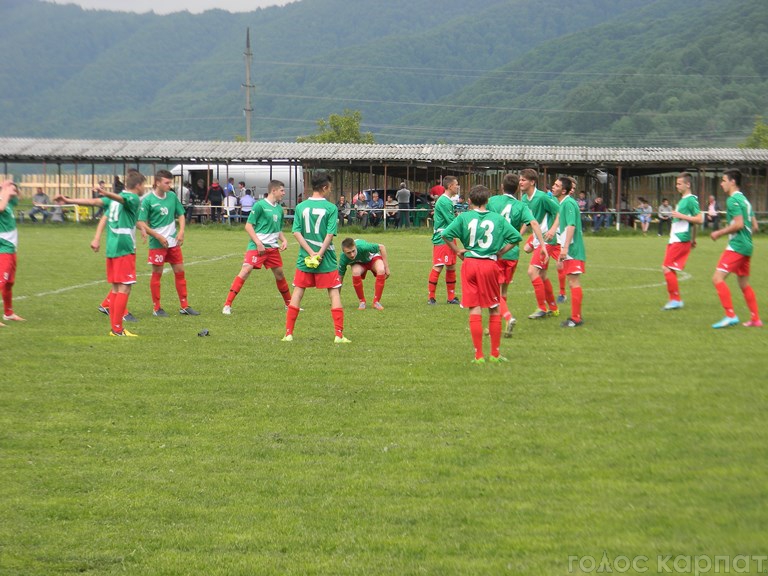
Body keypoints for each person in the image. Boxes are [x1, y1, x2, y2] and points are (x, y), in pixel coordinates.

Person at [55, 169, 144, 336]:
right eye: (143, 185)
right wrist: (107, 193)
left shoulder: (114, 202)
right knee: (125, 288)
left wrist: (68, 200)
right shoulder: (132, 198)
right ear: (138, 185)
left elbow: (93, 201)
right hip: (124, 248)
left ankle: (116, 329)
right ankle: (118, 329)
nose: (144, 188)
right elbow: (120, 198)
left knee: (117, 288)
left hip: (112, 247)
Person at [441, 184, 521, 363]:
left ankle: (478, 356)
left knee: (474, 308)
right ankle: (494, 354)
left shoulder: (464, 217)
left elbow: (445, 234)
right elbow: (516, 237)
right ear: (487, 201)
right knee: (494, 308)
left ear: (469, 201)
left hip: (469, 263)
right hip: (489, 264)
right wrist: (501, 252)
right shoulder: (497, 219)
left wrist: (457, 250)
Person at [283, 171, 349, 343]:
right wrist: (319, 253)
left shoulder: (300, 207)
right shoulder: (331, 208)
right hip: (326, 258)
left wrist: (310, 252)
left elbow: (296, 232)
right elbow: (329, 234)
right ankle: (338, 335)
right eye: (330, 188)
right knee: (334, 293)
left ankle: (288, 333)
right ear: (325, 187)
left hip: (305, 257)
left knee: (298, 292)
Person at [487, 172, 547, 337]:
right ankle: (495, 325)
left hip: (497, 252)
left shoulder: (493, 201)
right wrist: (542, 245)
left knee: (493, 293)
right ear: (517, 190)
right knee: (503, 291)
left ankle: (507, 317)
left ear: (501, 187)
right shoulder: (521, 206)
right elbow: (534, 223)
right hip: (512, 253)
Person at [137, 169, 199, 318]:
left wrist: (182, 231)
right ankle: (157, 308)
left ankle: (184, 305)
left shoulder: (171, 196)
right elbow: (140, 222)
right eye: (167, 182)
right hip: (157, 244)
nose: (169, 186)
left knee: (180, 272)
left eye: (170, 182)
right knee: (157, 275)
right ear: (157, 182)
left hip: (173, 243)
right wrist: (157, 236)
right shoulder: (148, 200)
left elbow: (181, 214)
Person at [223, 180, 291, 315]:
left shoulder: (279, 208)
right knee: (246, 270)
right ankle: (227, 305)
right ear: (274, 190)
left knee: (279, 274)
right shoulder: (259, 206)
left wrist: (283, 240)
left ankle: (289, 304)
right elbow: (248, 226)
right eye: (282, 190)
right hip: (257, 246)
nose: (284, 193)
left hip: (272, 248)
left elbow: (277, 229)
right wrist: (258, 243)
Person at [710, 169, 761, 328]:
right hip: (747, 246)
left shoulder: (733, 200)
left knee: (717, 278)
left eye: (724, 180)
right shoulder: (745, 201)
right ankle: (755, 319)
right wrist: (745, 237)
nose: (721, 183)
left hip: (737, 246)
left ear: (732, 182)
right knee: (743, 284)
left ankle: (730, 315)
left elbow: (738, 224)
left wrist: (720, 232)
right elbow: (755, 226)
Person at [520, 168, 561, 319]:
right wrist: (518, 236)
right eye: (520, 179)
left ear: (532, 182)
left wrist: (552, 229)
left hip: (548, 240)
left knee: (532, 272)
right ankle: (553, 308)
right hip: (537, 239)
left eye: (523, 180)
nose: (520, 182)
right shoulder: (524, 199)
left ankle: (541, 308)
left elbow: (559, 211)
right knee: (542, 275)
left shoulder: (542, 197)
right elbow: (528, 220)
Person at [661, 172, 702, 311]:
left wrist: (680, 215)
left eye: (679, 183)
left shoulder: (691, 199)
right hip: (676, 238)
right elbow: (693, 222)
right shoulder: (683, 199)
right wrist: (694, 239)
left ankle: (675, 300)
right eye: (676, 183)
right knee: (669, 268)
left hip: (680, 238)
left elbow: (699, 219)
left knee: (667, 267)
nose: (677, 186)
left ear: (688, 184)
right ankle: (674, 299)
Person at [553, 177, 586, 327]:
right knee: (572, 282)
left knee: (574, 282)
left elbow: (571, 226)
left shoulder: (569, 203)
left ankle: (576, 318)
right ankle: (575, 316)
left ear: (564, 190)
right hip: (568, 249)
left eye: (557, 185)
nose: (553, 187)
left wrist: (565, 248)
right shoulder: (563, 203)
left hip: (573, 249)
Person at [428, 175, 461, 305]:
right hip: (443, 238)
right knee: (438, 266)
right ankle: (431, 297)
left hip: (449, 237)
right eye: (456, 184)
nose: (457, 187)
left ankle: (451, 297)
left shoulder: (447, 201)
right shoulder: (444, 201)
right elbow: (451, 222)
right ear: (450, 186)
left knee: (451, 266)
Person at [339, 237, 390, 310]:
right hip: (359, 263)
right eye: (348, 253)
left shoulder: (363, 247)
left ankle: (376, 302)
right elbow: (340, 276)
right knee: (355, 272)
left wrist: (387, 268)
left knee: (381, 270)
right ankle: (362, 301)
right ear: (343, 252)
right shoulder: (343, 258)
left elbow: (382, 247)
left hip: (372, 258)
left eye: (353, 251)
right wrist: (336, 298)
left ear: (355, 247)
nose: (352, 255)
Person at [0, 180, 25, 325]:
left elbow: (19, 198)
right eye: (11, 189)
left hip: (11, 248)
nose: (13, 191)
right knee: (1, 281)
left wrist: (13, 188)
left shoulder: (9, 201)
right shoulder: (2, 202)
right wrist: (5, 190)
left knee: (9, 283)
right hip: (3, 249)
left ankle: (8, 313)